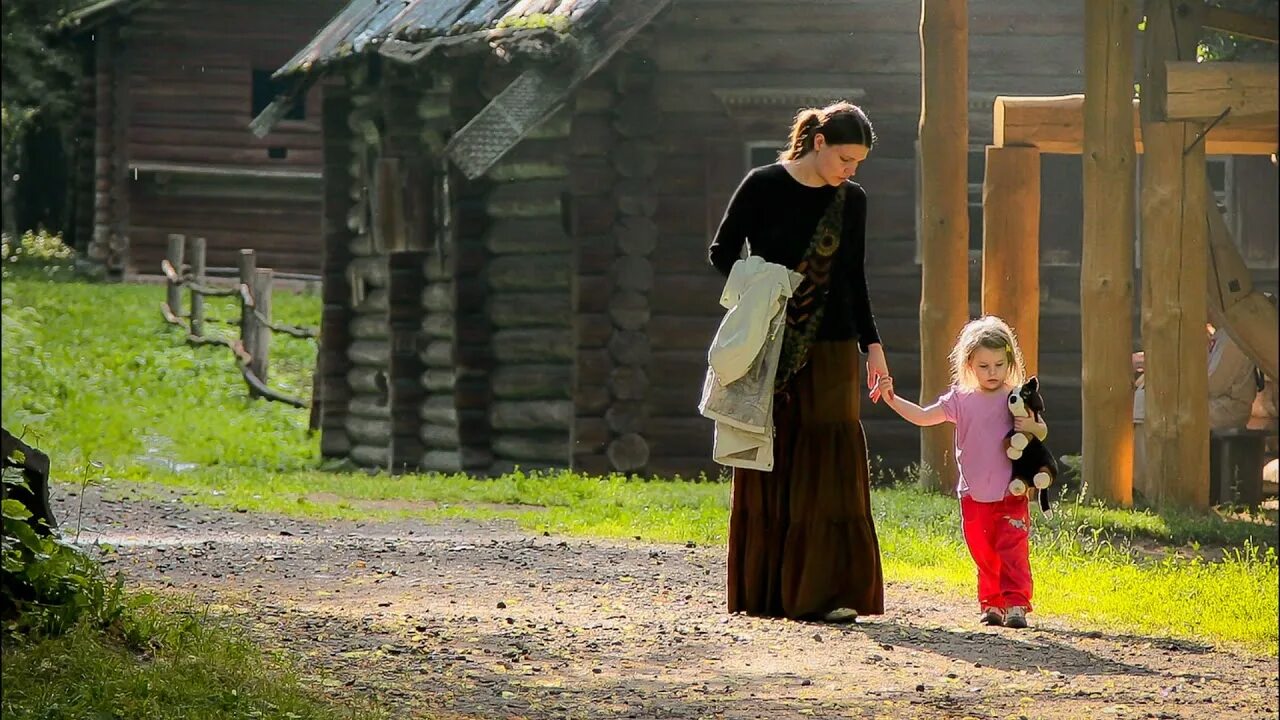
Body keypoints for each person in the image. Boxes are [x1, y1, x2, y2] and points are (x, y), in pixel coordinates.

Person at [708, 101, 889, 623]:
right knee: (774, 454)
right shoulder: (762, 184)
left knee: (829, 463)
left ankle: (828, 591)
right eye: (844, 159)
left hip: (832, 348)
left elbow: (854, 279)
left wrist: (872, 348)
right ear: (817, 143)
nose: (849, 171)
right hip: (771, 342)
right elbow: (722, 253)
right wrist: (767, 283)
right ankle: (768, 593)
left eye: (857, 163)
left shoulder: (851, 201)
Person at [876, 316, 1045, 629]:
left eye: (998, 365)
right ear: (969, 364)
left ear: (1009, 361)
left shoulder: (1016, 397)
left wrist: (1030, 426)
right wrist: (892, 399)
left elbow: (1040, 430)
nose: (992, 373)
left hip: (1012, 491)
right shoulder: (961, 399)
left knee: (1013, 549)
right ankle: (992, 604)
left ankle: (1017, 603)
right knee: (983, 552)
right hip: (973, 494)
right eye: (984, 366)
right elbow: (924, 417)